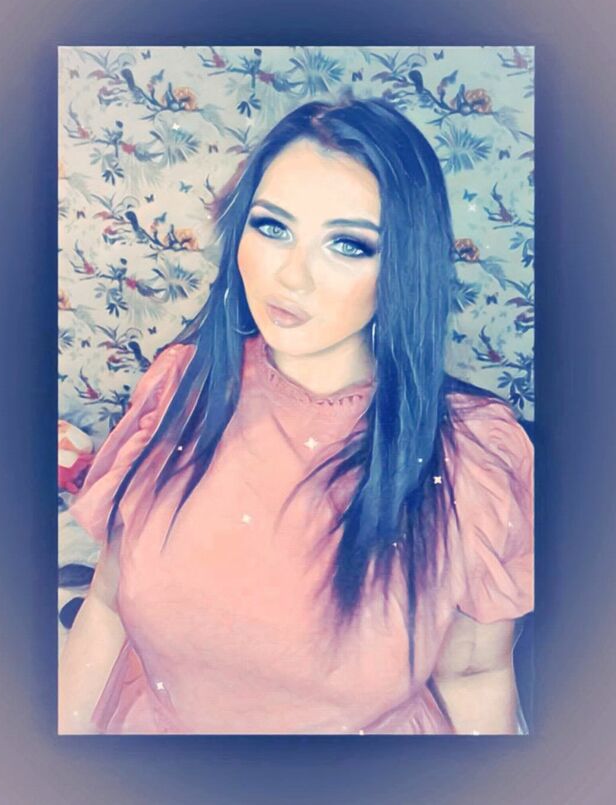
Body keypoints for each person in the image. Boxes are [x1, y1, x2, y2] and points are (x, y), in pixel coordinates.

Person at [59, 96, 534, 735]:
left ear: (404, 265)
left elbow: (474, 675)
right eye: (273, 227)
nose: (291, 276)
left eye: (348, 244)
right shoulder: (182, 387)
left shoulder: (472, 455)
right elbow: (107, 607)